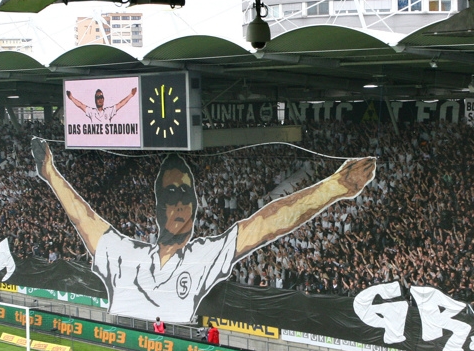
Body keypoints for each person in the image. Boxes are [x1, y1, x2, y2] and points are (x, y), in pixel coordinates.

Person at [31, 138, 375, 324]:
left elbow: (267, 224)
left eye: (187, 196)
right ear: (157, 208)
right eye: (172, 196)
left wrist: (334, 187)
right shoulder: (125, 256)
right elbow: (84, 218)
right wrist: (50, 173)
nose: (182, 205)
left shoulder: (203, 255)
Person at [67, 87, 137, 124]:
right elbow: (80, 105)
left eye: (101, 97)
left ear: (103, 99)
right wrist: (71, 98)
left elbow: (121, 104)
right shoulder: (91, 112)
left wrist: (131, 95)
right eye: (97, 98)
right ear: (95, 100)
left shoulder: (108, 111)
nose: (100, 100)